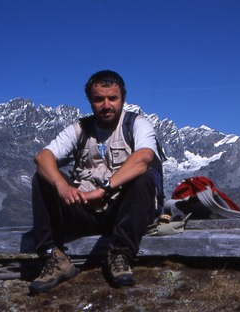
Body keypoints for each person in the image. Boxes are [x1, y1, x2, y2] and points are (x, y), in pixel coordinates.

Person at [29, 70, 161, 294]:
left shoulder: (137, 125)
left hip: (124, 211)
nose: (106, 105)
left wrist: (105, 188)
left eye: (112, 98)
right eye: (99, 99)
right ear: (90, 101)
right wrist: (62, 186)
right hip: (85, 208)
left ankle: (120, 254)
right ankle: (54, 257)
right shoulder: (80, 129)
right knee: (43, 178)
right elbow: (42, 158)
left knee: (144, 176)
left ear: (123, 99)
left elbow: (144, 158)